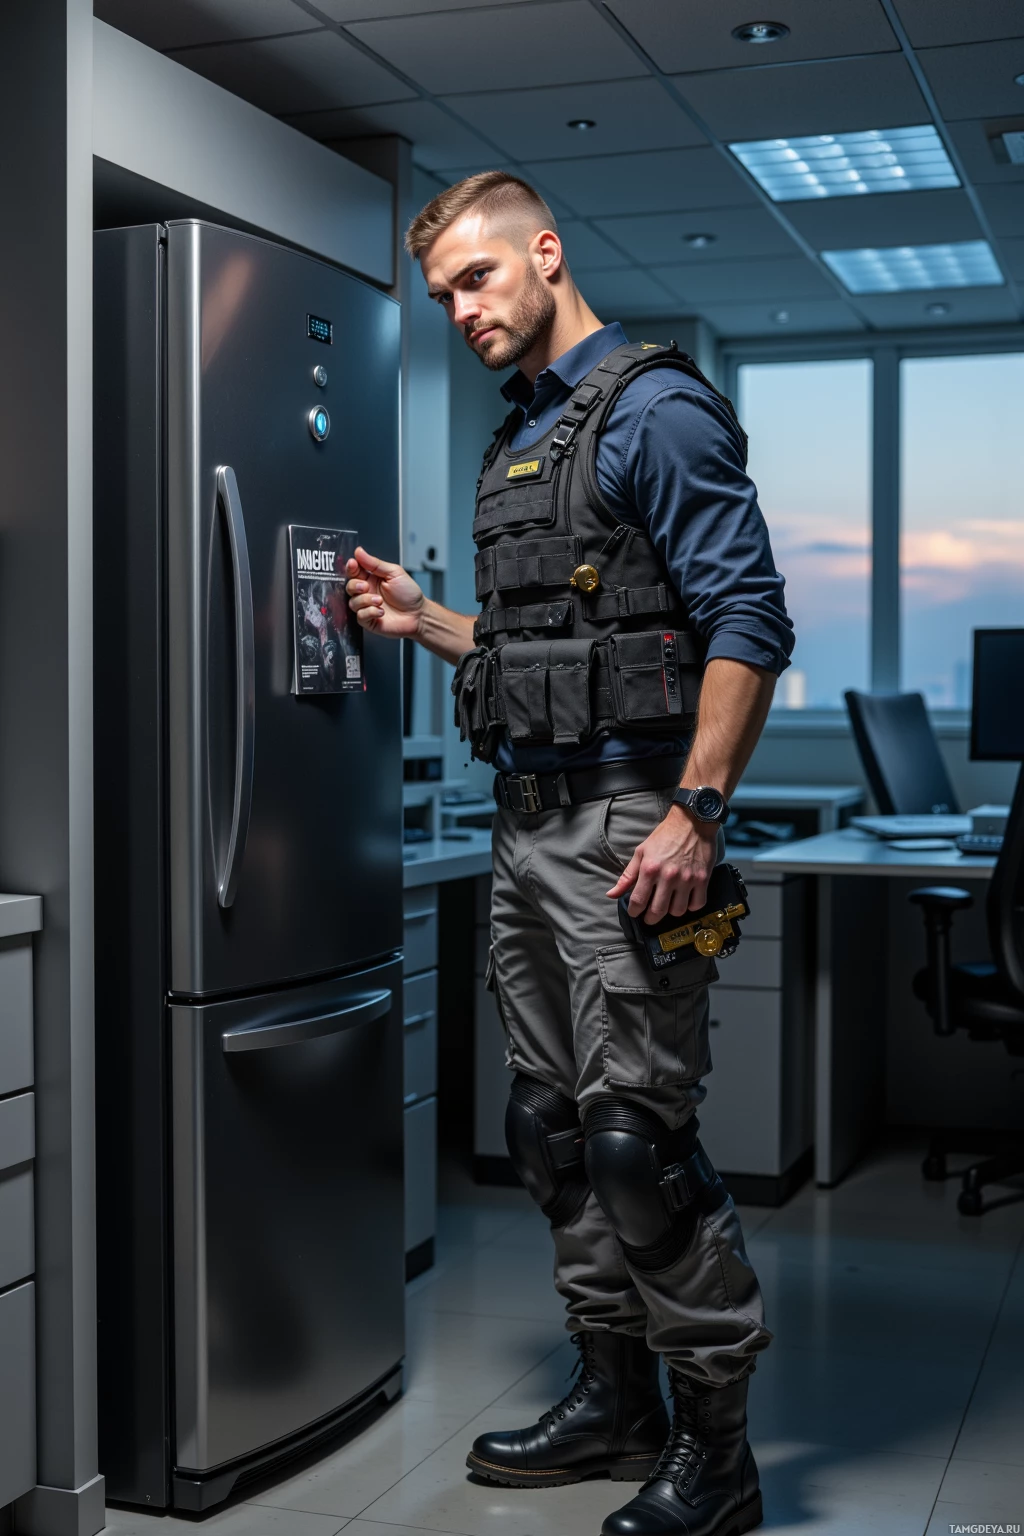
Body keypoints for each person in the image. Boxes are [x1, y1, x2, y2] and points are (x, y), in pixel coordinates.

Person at [345, 171, 794, 1536]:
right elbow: (552, 657)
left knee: (630, 1139)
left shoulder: (655, 410)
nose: (461, 310)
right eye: (442, 298)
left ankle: (718, 1455)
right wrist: (428, 620)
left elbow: (748, 618)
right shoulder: (525, 439)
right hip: (530, 824)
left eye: (478, 279)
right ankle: (616, 1402)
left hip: (629, 826)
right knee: (547, 1129)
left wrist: (697, 812)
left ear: (546, 252)